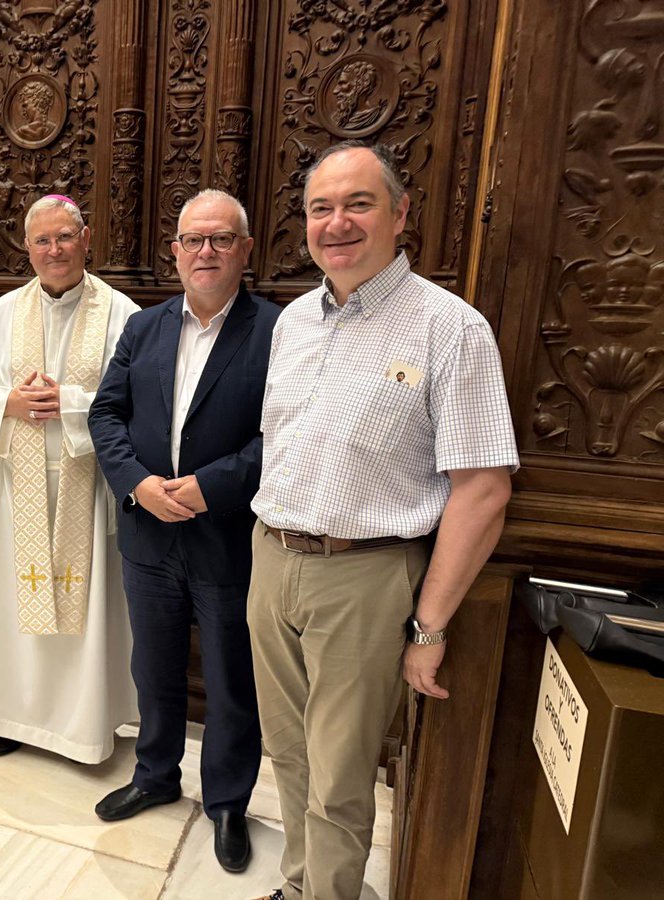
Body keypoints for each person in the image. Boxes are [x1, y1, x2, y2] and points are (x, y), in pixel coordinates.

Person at [249, 142, 518, 900]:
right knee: (289, 754)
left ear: (400, 215)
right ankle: (298, 886)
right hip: (272, 557)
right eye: (320, 208)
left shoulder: (449, 328)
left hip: (364, 575)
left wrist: (428, 629)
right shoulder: (294, 322)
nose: (336, 223)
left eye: (358, 204)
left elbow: (483, 490)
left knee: (338, 776)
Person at [89, 188, 280, 873]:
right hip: (148, 534)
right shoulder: (144, 328)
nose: (205, 251)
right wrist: (137, 483)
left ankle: (227, 802)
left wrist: (212, 486)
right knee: (154, 667)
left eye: (221, 239)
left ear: (245, 250)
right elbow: (106, 415)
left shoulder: (277, 331)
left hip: (225, 536)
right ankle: (155, 775)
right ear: (174, 251)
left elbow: (284, 434)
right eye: (193, 240)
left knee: (231, 680)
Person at [0, 194, 140, 763]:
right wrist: (8, 402)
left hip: (89, 486)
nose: (54, 250)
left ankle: (83, 727)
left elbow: (140, 399)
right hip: (19, 487)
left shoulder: (122, 314)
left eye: (64, 237)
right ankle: (12, 716)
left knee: (86, 615)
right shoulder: (4, 312)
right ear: (27, 248)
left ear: (87, 239)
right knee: (16, 607)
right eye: (42, 240)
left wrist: (71, 401)